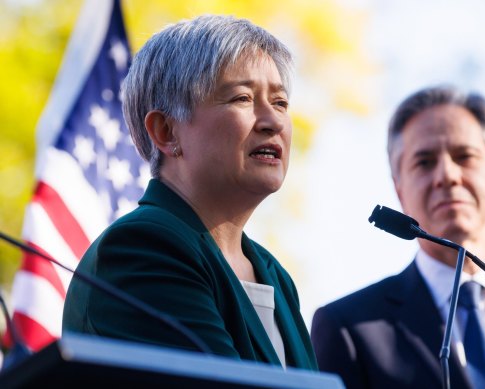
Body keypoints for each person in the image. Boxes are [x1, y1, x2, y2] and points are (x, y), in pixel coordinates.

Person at [63, 14, 317, 371]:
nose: (273, 121)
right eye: (242, 98)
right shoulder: (143, 246)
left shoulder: (274, 274)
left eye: (279, 103)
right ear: (166, 131)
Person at [311, 85, 485, 388]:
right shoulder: (349, 328)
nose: (447, 175)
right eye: (424, 162)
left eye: (464, 156)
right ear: (399, 189)